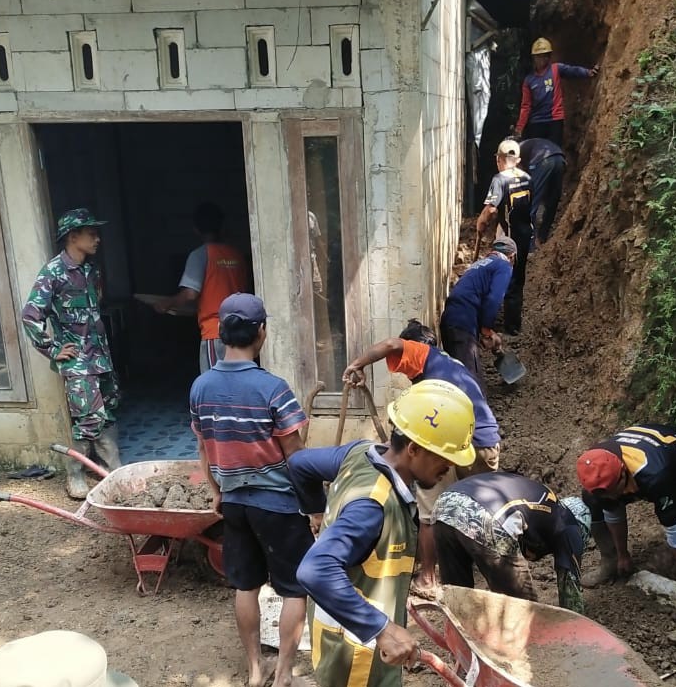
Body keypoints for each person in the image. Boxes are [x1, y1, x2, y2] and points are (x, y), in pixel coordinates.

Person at [288, 380, 477, 687]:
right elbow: (314, 569)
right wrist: (383, 629)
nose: (450, 467)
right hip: (357, 653)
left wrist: (317, 511)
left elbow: (299, 464)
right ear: (413, 449)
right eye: (445, 457)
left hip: (343, 628)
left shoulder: (360, 453)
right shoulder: (373, 506)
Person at [189, 293, 313, 687]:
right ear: (261, 332)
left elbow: (204, 446)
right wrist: (313, 504)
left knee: (246, 585)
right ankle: (284, 675)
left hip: (235, 503)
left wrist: (216, 490)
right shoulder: (273, 388)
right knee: (294, 588)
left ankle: (255, 670)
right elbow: (295, 455)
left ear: (222, 333)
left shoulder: (200, 387)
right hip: (277, 504)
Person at [341, 319, 503, 594]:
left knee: (430, 511)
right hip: (487, 444)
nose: (402, 369)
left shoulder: (425, 356)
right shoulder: (450, 368)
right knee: (478, 510)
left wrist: (357, 364)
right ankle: (494, 581)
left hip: (461, 444)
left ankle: (427, 578)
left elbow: (392, 344)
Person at [576, 424, 676, 681]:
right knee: (592, 501)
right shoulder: (598, 465)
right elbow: (611, 506)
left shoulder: (653, 473)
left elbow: (675, 528)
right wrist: (622, 554)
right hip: (662, 468)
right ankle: (610, 562)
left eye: (621, 490)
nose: (621, 497)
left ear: (624, 471)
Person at [21, 208, 122, 500]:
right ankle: (75, 473)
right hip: (78, 361)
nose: (97, 239)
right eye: (91, 234)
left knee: (110, 409)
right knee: (88, 418)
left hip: (101, 356)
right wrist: (52, 348)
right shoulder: (53, 272)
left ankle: (109, 467)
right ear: (73, 237)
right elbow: (31, 315)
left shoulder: (91, 271)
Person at [432, 472, 590, 615]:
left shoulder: (546, 504)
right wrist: (574, 621)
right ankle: (528, 644)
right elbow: (570, 584)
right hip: (487, 516)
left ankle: (461, 637)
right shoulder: (569, 525)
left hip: (446, 504)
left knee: (458, 593)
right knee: (521, 605)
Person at [153, 203, 250, 374]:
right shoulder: (237, 255)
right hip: (241, 330)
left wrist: (167, 303)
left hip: (216, 332)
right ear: (223, 226)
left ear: (196, 229)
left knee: (215, 385)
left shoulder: (200, 254)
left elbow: (190, 293)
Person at [439, 236, 517, 393]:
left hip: (450, 318)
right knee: (471, 385)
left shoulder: (478, 266)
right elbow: (494, 298)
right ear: (512, 256)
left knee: (457, 378)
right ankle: (478, 417)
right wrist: (487, 328)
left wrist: (485, 332)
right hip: (462, 320)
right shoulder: (503, 265)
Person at [476, 140, 534, 335]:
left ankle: (488, 323)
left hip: (508, 239)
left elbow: (491, 209)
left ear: (499, 159)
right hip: (525, 235)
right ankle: (513, 325)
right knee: (518, 279)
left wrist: (481, 222)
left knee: (501, 277)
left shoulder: (500, 179)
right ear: (517, 160)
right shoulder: (527, 177)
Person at [513, 37, 598, 146]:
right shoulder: (529, 80)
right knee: (538, 153)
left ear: (549, 57)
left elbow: (572, 70)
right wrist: (519, 127)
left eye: (545, 55)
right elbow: (526, 106)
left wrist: (588, 72)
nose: (542, 59)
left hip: (554, 120)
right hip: (537, 122)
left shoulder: (556, 69)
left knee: (554, 151)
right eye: (539, 56)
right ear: (534, 58)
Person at [520, 137, 567, 244]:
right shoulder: (529, 145)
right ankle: (542, 236)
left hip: (543, 160)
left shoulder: (516, 150)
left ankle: (529, 245)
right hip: (560, 159)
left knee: (532, 202)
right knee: (553, 200)